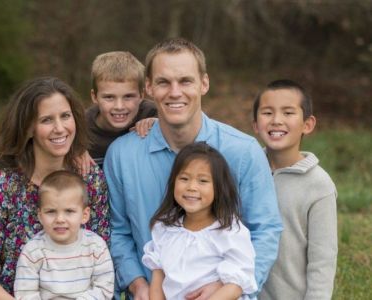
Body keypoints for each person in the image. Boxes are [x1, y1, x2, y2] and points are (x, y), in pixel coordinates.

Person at [104, 37, 282, 300]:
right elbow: (118, 231)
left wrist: (230, 288)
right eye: (164, 82)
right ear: (150, 87)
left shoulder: (243, 151)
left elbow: (264, 230)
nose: (175, 92)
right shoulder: (122, 155)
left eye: (186, 81)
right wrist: (138, 285)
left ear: (204, 83)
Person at [0, 77, 110, 299]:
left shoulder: (89, 180)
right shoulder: (1, 187)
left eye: (65, 116)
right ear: (29, 128)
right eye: (47, 120)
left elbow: (102, 255)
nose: (60, 128)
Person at [252, 79, 338, 300]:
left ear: (307, 125)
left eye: (288, 113)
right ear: (255, 124)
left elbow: (323, 259)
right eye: (267, 113)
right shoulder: (246, 170)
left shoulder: (319, 185)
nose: (276, 121)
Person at [142, 142, 257, 300]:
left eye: (203, 181)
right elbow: (158, 276)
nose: (192, 187)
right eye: (184, 178)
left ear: (218, 188)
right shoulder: (165, 227)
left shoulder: (229, 230)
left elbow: (235, 286)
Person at [14, 170, 114, 299]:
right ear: (40, 216)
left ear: (84, 215)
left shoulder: (96, 246)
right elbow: (25, 293)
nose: (60, 219)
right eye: (51, 211)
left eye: (69, 211)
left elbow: (104, 288)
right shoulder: (33, 251)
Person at [85, 51, 157, 168]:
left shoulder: (153, 113)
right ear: (94, 97)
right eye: (109, 97)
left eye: (128, 96)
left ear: (141, 95)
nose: (119, 106)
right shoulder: (81, 128)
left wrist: (160, 125)